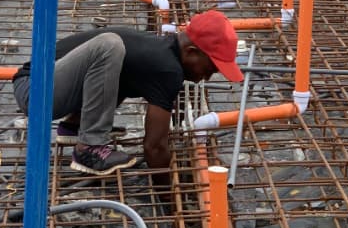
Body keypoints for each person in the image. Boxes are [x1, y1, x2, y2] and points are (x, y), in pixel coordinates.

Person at [12, 10, 243, 177]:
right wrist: (168, 197)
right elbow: (155, 146)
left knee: (123, 66)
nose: (208, 77)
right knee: (109, 46)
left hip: (51, 86)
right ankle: (89, 147)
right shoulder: (168, 68)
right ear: (191, 51)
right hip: (36, 90)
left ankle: (75, 126)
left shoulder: (159, 52)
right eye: (210, 68)